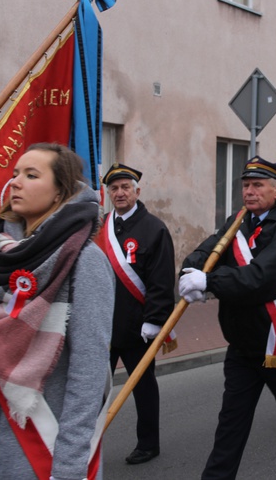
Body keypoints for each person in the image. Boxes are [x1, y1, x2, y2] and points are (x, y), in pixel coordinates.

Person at [0, 144, 115, 479]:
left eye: (31, 175)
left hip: (44, 449)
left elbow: (88, 373)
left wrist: (69, 468)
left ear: (60, 191)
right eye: (15, 174)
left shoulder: (85, 261)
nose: (15, 182)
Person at [179, 156, 276, 479]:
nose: (250, 191)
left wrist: (210, 283)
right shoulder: (236, 221)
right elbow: (207, 250)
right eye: (245, 185)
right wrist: (191, 270)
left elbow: (261, 278)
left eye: (257, 185)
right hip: (242, 345)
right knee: (230, 423)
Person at [102, 162, 176, 465]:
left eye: (125, 188)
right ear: (108, 193)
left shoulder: (154, 228)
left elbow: (161, 280)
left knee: (143, 388)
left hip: (137, 327)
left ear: (137, 191)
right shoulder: (100, 226)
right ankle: (85, 442)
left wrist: (155, 320)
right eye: (114, 189)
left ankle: (148, 443)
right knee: (91, 389)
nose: (120, 193)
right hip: (103, 326)